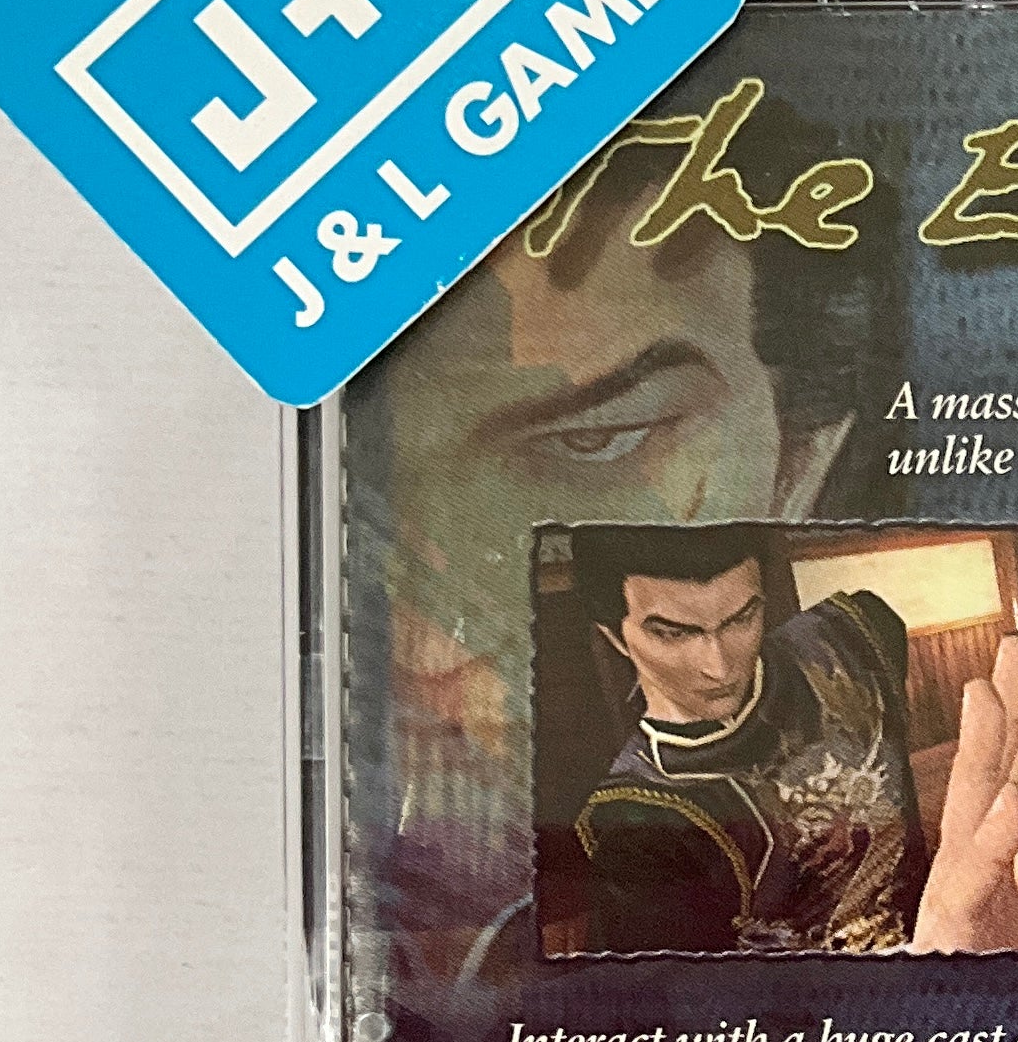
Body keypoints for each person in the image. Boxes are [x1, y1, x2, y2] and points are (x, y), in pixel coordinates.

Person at [351, 73, 886, 979]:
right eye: (368, 475)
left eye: (597, 438)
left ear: (802, 455)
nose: (427, 635)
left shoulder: (857, 643)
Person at [569, 529, 1018, 956]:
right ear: (615, 636)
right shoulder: (635, 825)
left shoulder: (859, 636)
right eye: (674, 634)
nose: (718, 666)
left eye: (741, 618)